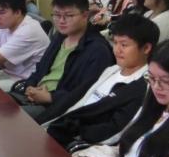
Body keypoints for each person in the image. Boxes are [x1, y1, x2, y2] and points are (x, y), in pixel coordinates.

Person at [43, 14, 159, 148]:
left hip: (81, 143)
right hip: (64, 126)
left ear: (146, 48)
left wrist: (75, 135)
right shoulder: (111, 70)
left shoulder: (144, 86)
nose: (117, 50)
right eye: (115, 43)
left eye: (124, 44)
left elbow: (115, 131)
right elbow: (79, 101)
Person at [10, 0, 115, 119]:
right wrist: (30, 86)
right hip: (33, 96)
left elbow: (86, 93)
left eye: (68, 16)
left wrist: (51, 97)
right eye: (56, 15)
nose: (61, 21)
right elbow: (40, 69)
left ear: (85, 15)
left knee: (7, 116)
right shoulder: (60, 37)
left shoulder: (98, 50)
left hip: (58, 108)